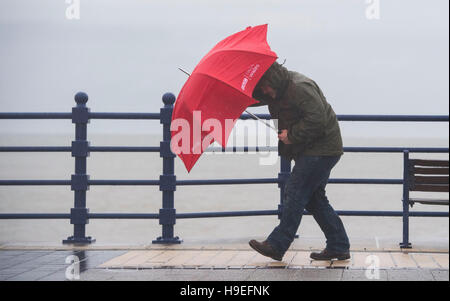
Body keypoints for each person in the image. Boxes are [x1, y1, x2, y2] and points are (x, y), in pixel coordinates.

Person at [248, 61, 351, 261]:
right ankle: (338, 245)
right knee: (314, 199)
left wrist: (292, 135)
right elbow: (254, 99)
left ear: (273, 80)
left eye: (265, 86)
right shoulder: (274, 90)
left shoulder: (300, 87)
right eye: (261, 88)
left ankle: (277, 245)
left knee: (294, 190)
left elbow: (318, 120)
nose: (265, 91)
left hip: (322, 148)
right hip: (312, 149)